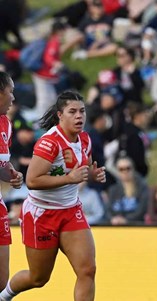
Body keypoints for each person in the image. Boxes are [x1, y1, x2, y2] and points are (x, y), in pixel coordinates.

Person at [0, 90, 106, 301]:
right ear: (60, 115)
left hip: (71, 211)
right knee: (38, 278)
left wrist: (92, 174)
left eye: (82, 111)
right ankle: (3, 296)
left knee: (87, 270)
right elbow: (32, 181)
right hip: (42, 214)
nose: (79, 116)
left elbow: (82, 168)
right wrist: (70, 178)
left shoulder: (85, 139)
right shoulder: (49, 143)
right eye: (73, 111)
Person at [0, 72, 25, 293]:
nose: (13, 98)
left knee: (1, 280)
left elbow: (2, 166)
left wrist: (11, 175)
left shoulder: (6, 124)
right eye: (11, 92)